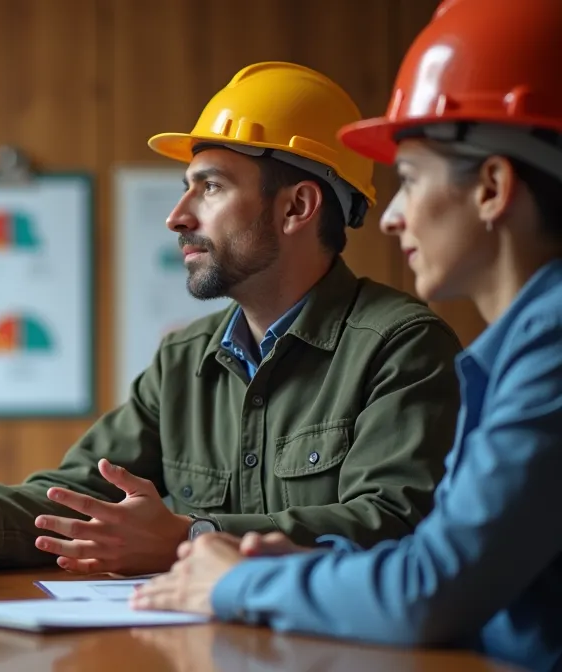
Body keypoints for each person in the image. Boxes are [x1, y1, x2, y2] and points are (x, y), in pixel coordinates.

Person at [0, 62, 466, 576]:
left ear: (297, 207)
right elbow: (81, 495)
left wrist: (191, 537)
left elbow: (393, 523)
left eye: (209, 188)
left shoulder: (402, 346)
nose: (177, 217)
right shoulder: (184, 359)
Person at [132, 2, 562, 670]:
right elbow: (434, 562)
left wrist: (237, 579)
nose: (389, 218)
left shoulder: (548, 345)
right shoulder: (520, 345)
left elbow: (430, 589)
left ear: (492, 187)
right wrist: (304, 561)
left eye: (411, 180)